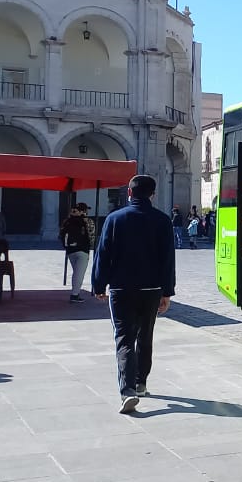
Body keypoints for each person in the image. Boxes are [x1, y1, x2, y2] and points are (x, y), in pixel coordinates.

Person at [93, 175, 176, 414]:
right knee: (145, 335)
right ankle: (141, 382)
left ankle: (127, 390)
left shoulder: (114, 219)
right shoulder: (162, 221)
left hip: (121, 288)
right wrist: (167, 292)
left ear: (129, 193)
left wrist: (99, 285)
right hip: (151, 289)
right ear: (153, 194)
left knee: (124, 338)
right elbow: (167, 259)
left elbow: (103, 254)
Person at [59, 202, 96, 303]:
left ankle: (75, 292)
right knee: (79, 273)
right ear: (83, 211)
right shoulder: (88, 221)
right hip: (83, 250)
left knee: (76, 272)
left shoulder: (67, 221)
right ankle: (75, 295)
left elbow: (61, 234)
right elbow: (92, 237)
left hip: (70, 250)